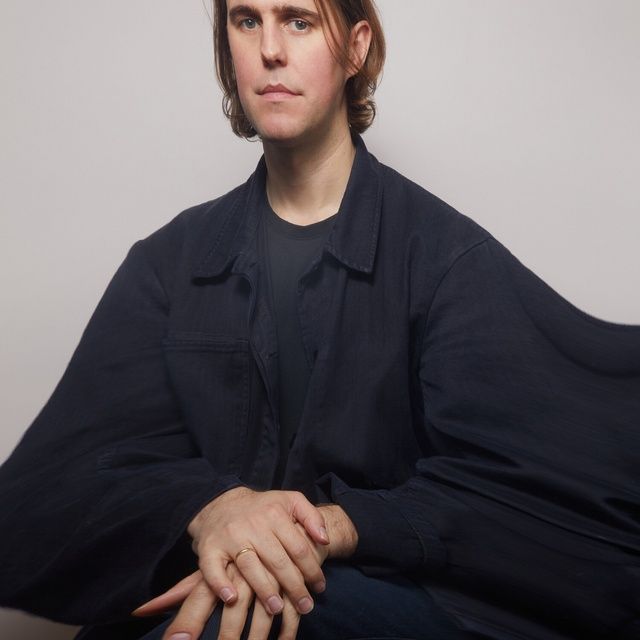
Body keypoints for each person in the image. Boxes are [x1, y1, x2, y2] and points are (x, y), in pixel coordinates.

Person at [1, 1, 639, 639]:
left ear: (356, 47)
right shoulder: (169, 264)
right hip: (214, 582)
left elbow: (513, 489)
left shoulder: (445, 258)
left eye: (299, 20)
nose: (270, 49)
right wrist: (214, 508)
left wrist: (327, 529)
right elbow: (62, 480)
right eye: (246, 20)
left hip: (392, 598)